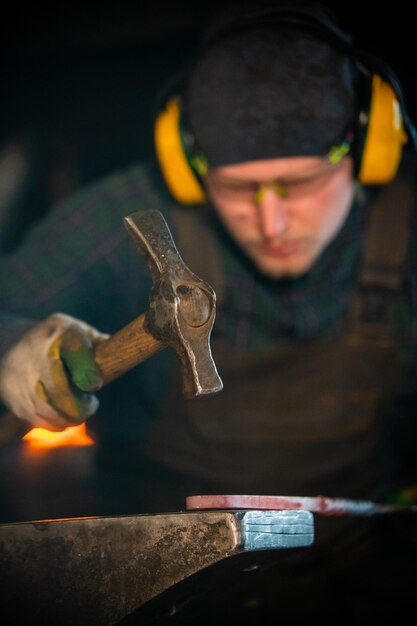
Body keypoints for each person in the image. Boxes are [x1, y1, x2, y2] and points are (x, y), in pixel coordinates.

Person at [0, 0, 416, 620]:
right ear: (190, 167)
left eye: (300, 184)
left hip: (359, 570)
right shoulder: (126, 214)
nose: (271, 222)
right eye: (237, 189)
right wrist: (14, 347)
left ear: (371, 146)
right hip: (167, 591)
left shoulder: (408, 225)